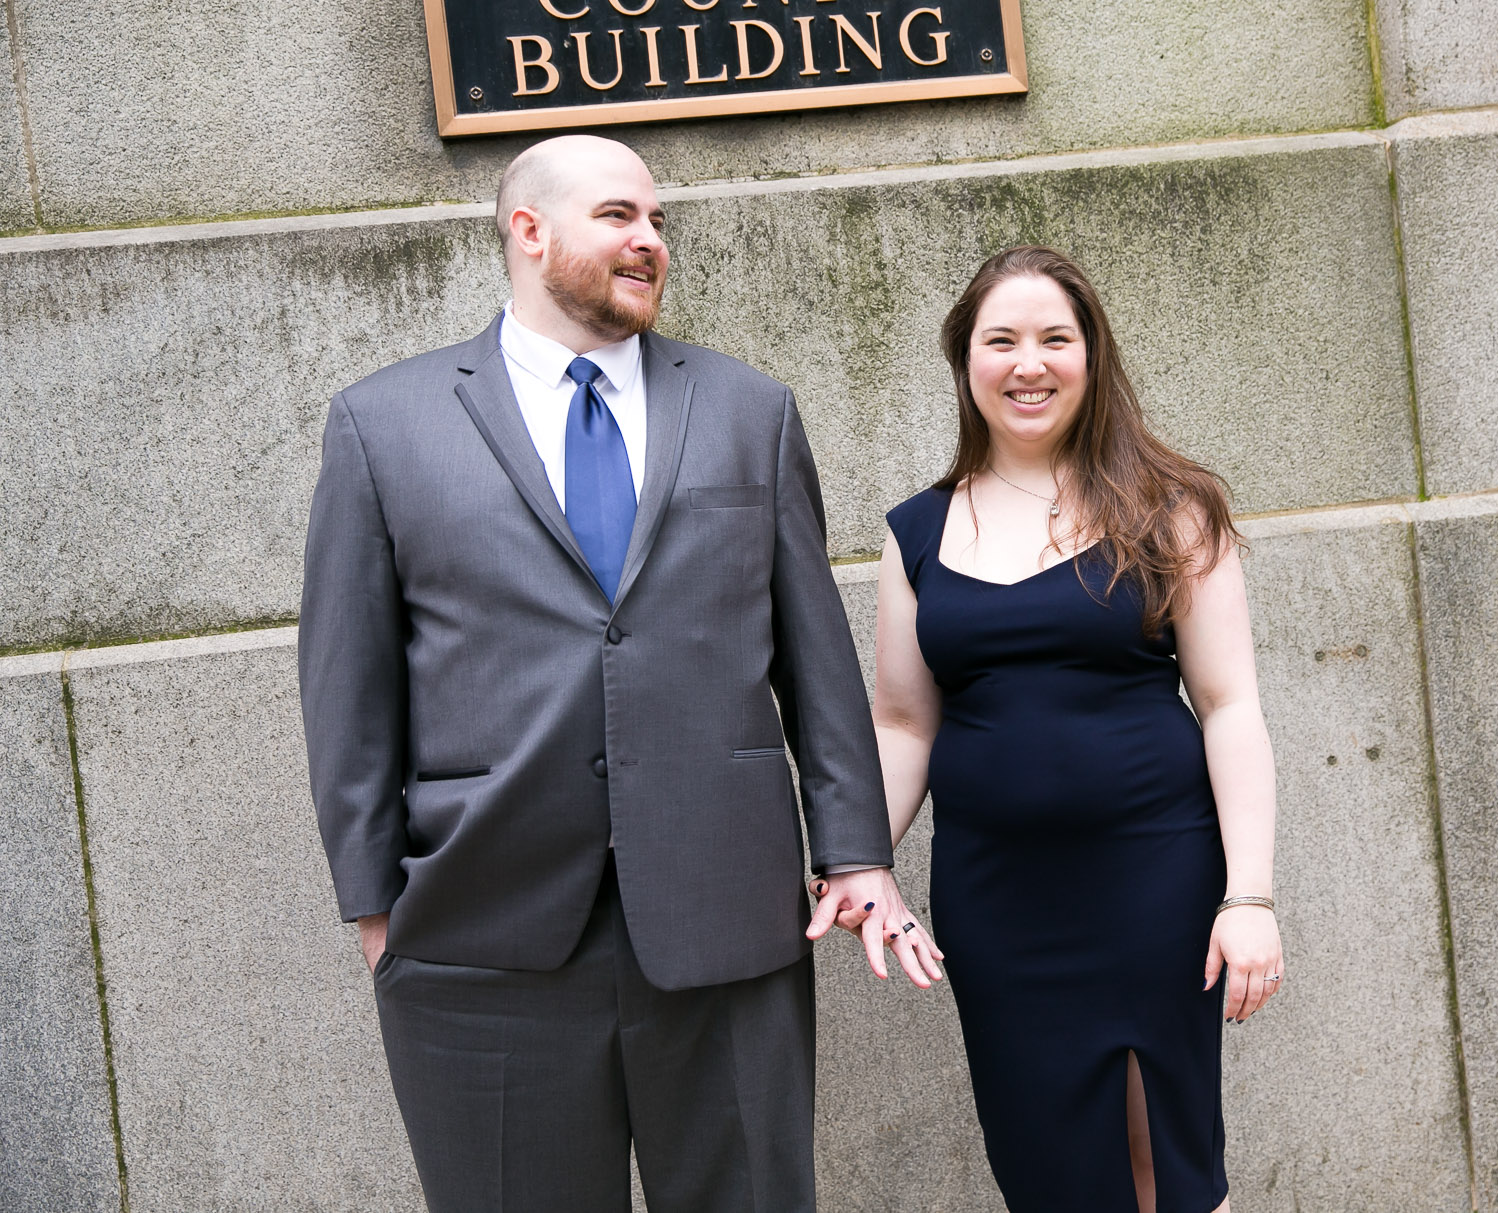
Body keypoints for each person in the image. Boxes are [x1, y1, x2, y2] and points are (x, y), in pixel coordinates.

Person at [297, 133, 938, 1213]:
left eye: (655, 221)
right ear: (529, 230)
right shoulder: (383, 424)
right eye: (618, 216)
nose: (649, 241)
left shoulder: (750, 410)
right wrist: (377, 909)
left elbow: (816, 659)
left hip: (725, 917)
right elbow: (347, 685)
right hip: (478, 928)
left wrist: (855, 851)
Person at [868, 245, 1284, 1213]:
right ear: (962, 360)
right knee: (1047, 1167)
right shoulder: (916, 532)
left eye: (1054, 337)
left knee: (1160, 1160)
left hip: (1153, 883)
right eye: (999, 339)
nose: (1028, 362)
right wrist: (856, 862)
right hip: (997, 901)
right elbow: (899, 720)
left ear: (1090, 356)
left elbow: (1230, 707)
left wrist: (1249, 895)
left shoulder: (1170, 509)